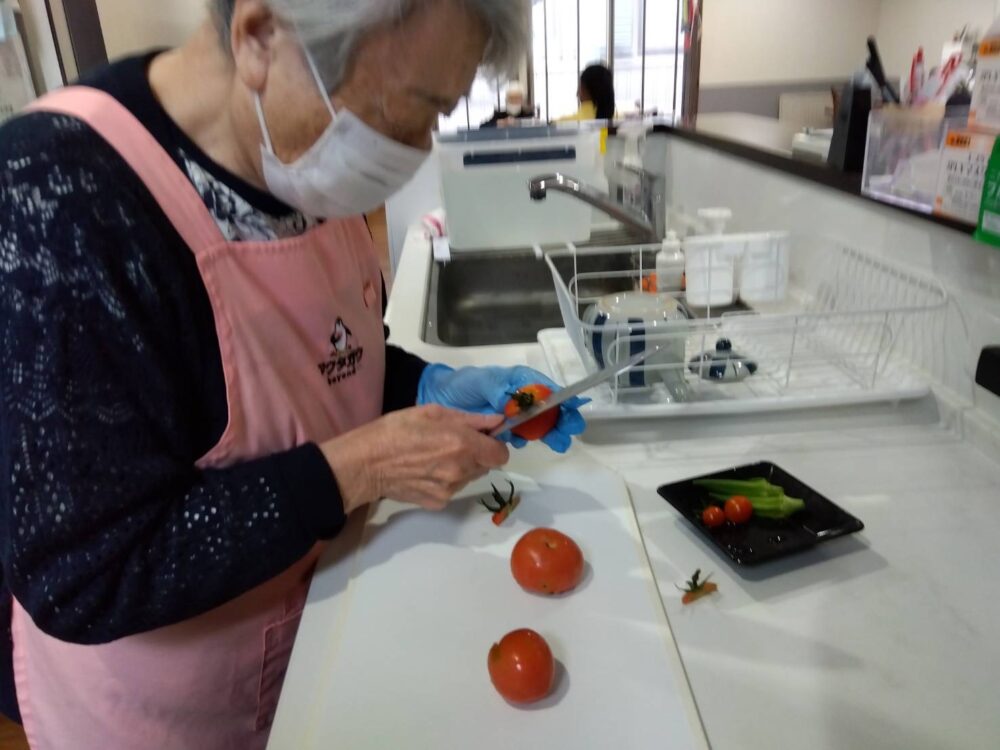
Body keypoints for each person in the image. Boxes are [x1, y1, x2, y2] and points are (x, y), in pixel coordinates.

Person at [0, 1, 586, 748]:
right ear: (260, 36)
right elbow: (86, 572)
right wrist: (359, 468)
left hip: (319, 648)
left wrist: (420, 386)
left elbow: (328, 359)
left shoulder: (299, 158)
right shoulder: (57, 200)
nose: (415, 149)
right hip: (169, 717)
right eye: (407, 115)